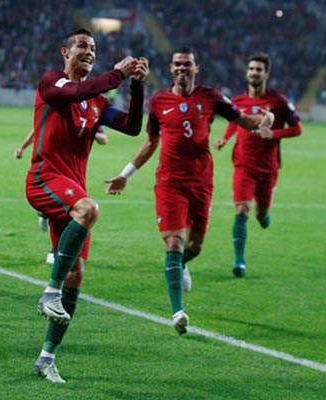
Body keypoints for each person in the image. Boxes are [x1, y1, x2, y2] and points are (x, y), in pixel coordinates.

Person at [105, 47, 274, 335]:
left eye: (187, 64)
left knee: (194, 247)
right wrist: (125, 175)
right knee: (174, 242)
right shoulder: (158, 102)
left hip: (202, 182)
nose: (182, 68)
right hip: (170, 182)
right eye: (177, 64)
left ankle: (181, 265)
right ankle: (178, 311)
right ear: (171, 69)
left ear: (197, 68)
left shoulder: (210, 97)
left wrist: (265, 120)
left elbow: (245, 121)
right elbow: (150, 142)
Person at [26, 27, 148, 383]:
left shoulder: (98, 103)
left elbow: (131, 126)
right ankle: (49, 292)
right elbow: (80, 89)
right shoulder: (53, 83)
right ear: (65, 52)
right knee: (90, 209)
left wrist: (137, 85)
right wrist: (119, 74)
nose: (89, 51)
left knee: (77, 275)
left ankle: (46, 358)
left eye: (93, 47)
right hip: (44, 179)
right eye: (82, 46)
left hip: (72, 190)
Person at [214, 52, 302, 278]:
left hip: (269, 167)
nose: (254, 72)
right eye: (251, 69)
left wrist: (272, 133)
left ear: (266, 74)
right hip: (243, 164)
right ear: (246, 73)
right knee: (241, 208)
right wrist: (225, 138)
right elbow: (235, 122)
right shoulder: (238, 101)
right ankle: (239, 261)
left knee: (260, 215)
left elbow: (297, 128)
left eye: (259, 70)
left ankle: (264, 216)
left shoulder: (279, 102)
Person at [15, 126, 108, 265]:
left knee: (73, 211)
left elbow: (104, 139)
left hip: (74, 170)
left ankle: (56, 250)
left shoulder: (87, 116)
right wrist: (22, 147)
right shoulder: (59, 114)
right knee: (65, 209)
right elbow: (38, 129)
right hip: (52, 167)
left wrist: (90, 132)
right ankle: (46, 217)